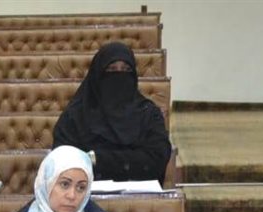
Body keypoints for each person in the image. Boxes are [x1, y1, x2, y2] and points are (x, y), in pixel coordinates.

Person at [53, 41, 173, 183]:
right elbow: (64, 162)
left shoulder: (148, 113)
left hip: (141, 193)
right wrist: (131, 160)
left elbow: (156, 160)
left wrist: (96, 159)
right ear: (98, 74)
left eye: (126, 70)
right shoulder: (75, 116)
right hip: (85, 192)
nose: (119, 76)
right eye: (111, 70)